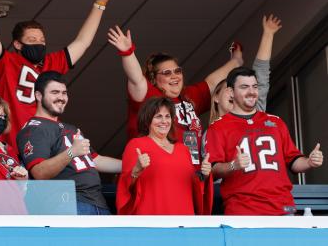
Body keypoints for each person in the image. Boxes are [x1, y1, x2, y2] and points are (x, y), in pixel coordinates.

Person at [0, 0, 113, 150]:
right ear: (17, 44)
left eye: (41, 40)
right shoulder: (6, 62)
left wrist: (100, 4)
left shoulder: (53, 62)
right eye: (32, 40)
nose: (39, 44)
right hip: (15, 147)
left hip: (48, 146)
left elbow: (83, 42)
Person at [107, 26, 243, 155]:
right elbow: (136, 79)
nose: (175, 76)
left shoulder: (188, 96)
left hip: (193, 173)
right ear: (154, 79)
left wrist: (236, 61)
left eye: (177, 71)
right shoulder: (150, 96)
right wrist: (127, 53)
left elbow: (212, 83)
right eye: (167, 73)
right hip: (160, 171)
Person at [207, 67, 324, 215]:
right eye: (244, 87)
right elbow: (212, 169)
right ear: (231, 92)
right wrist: (233, 165)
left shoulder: (275, 122)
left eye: (254, 87)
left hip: (282, 208)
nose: (251, 91)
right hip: (243, 210)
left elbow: (293, 161)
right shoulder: (218, 127)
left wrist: (309, 162)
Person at [16, 71, 121, 215]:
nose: (61, 97)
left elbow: (96, 160)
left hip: (98, 202)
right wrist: (72, 152)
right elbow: (39, 172)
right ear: (39, 95)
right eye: (55, 92)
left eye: (64, 93)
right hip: (69, 203)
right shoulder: (34, 129)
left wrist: (130, 164)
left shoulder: (71, 128)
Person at [116, 97, 211, 215]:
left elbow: (193, 188)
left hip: (183, 220)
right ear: (147, 120)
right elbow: (124, 189)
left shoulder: (183, 149)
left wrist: (204, 175)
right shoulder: (136, 145)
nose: (164, 121)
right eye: (158, 116)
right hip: (152, 219)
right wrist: (135, 171)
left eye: (167, 116)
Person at [209, 14, 282, 123]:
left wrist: (268, 33)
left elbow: (261, 76)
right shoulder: (210, 134)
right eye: (229, 89)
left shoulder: (255, 115)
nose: (233, 94)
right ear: (216, 97)